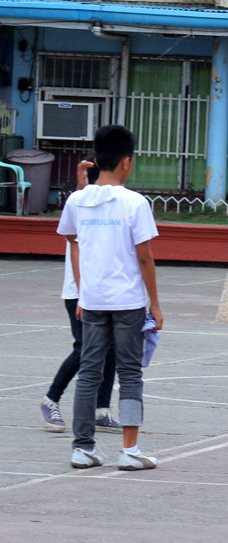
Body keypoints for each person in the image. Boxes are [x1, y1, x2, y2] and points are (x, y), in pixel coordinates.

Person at [57, 124, 164, 470]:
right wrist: (156, 304)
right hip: (128, 301)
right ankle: (129, 450)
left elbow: (73, 245)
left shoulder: (77, 200)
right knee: (130, 373)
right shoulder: (134, 203)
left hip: (93, 299)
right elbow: (144, 257)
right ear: (126, 162)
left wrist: (83, 291)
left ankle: (82, 446)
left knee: (90, 372)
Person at [40, 159, 121, 434]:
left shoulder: (117, 202)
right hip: (80, 291)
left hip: (104, 289)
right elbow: (75, 240)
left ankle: (101, 410)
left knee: (109, 349)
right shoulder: (79, 200)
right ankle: (50, 399)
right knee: (84, 348)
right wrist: (84, 292)